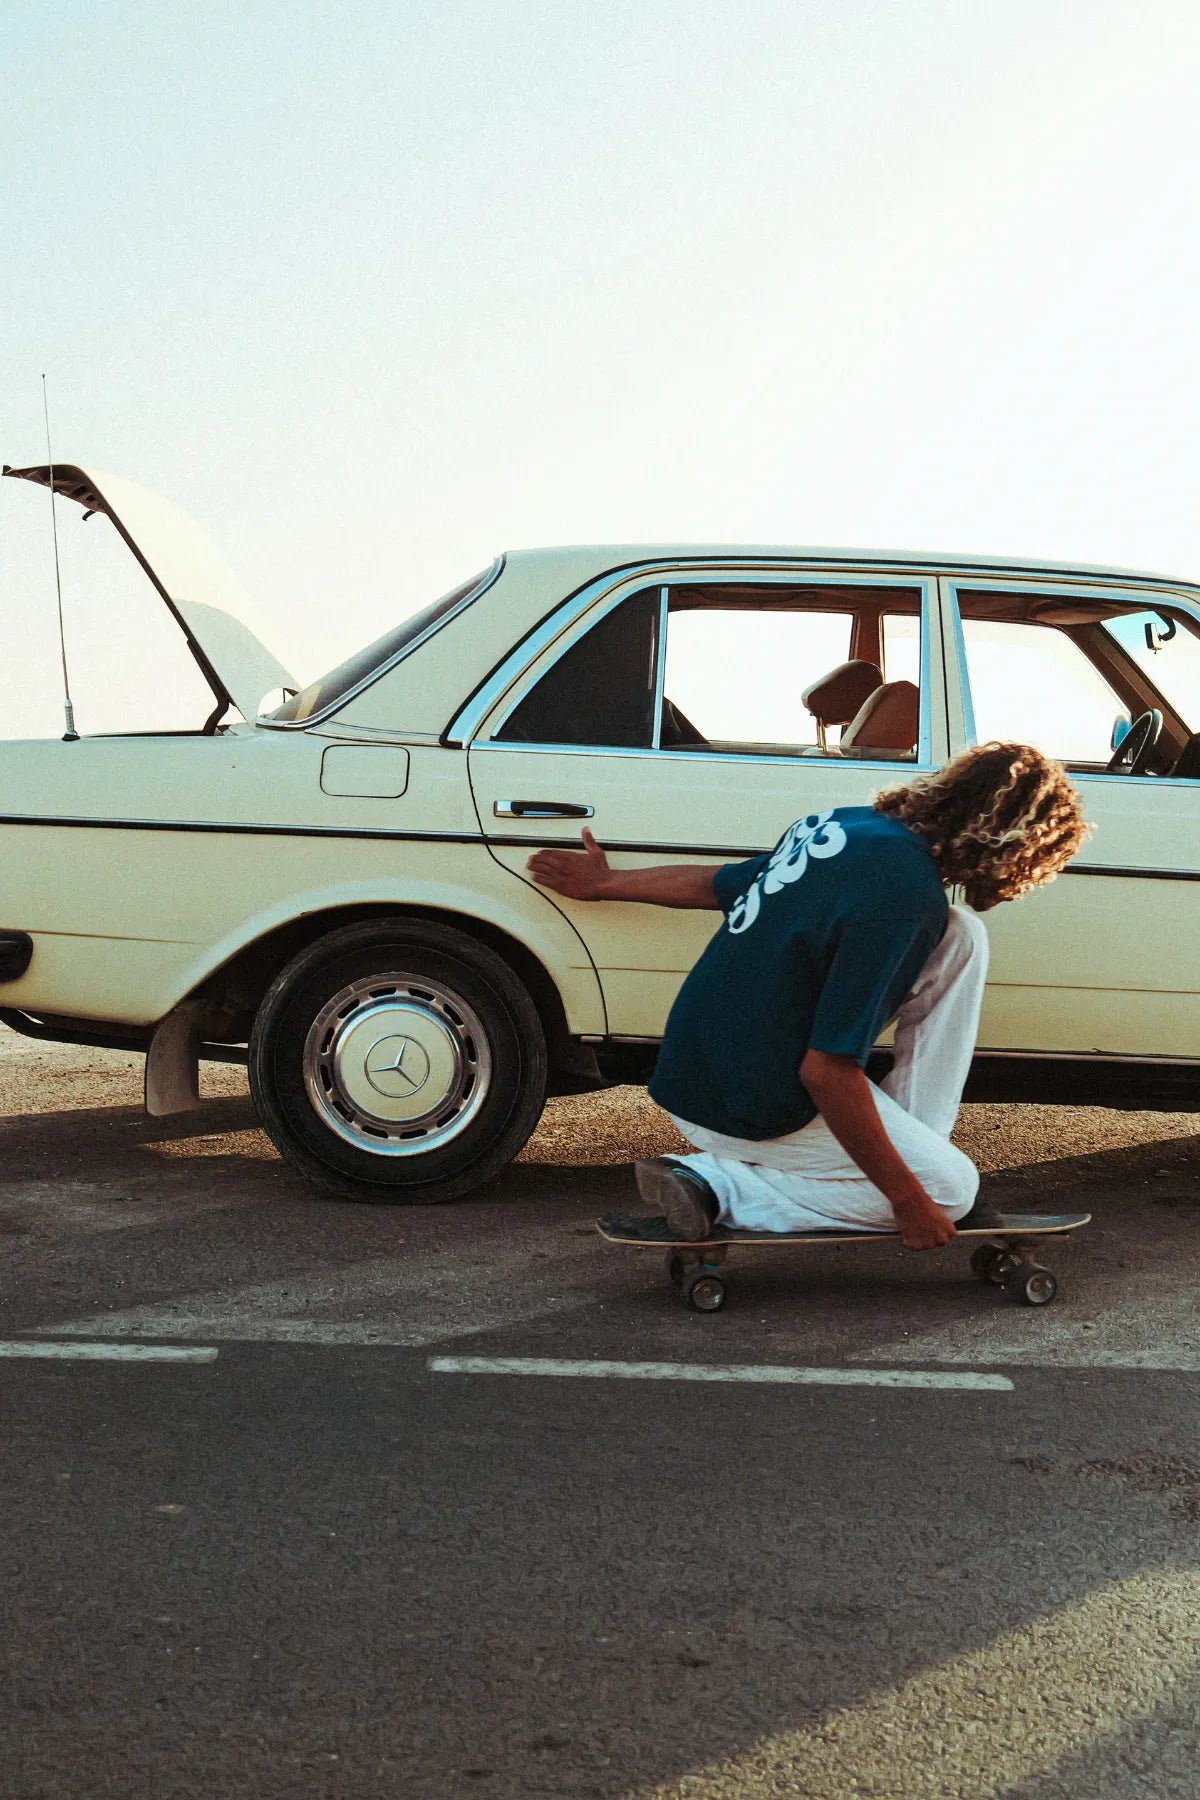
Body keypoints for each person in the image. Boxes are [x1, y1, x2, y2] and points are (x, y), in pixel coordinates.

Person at [526, 742, 1089, 1250]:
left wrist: (606, 884)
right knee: (951, 1190)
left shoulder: (843, 829)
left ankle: (915, 1146)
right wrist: (908, 1201)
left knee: (962, 932)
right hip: (743, 1104)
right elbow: (827, 1072)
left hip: (700, 1064)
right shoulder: (903, 898)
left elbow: (718, 884)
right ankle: (717, 1186)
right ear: (1013, 845)